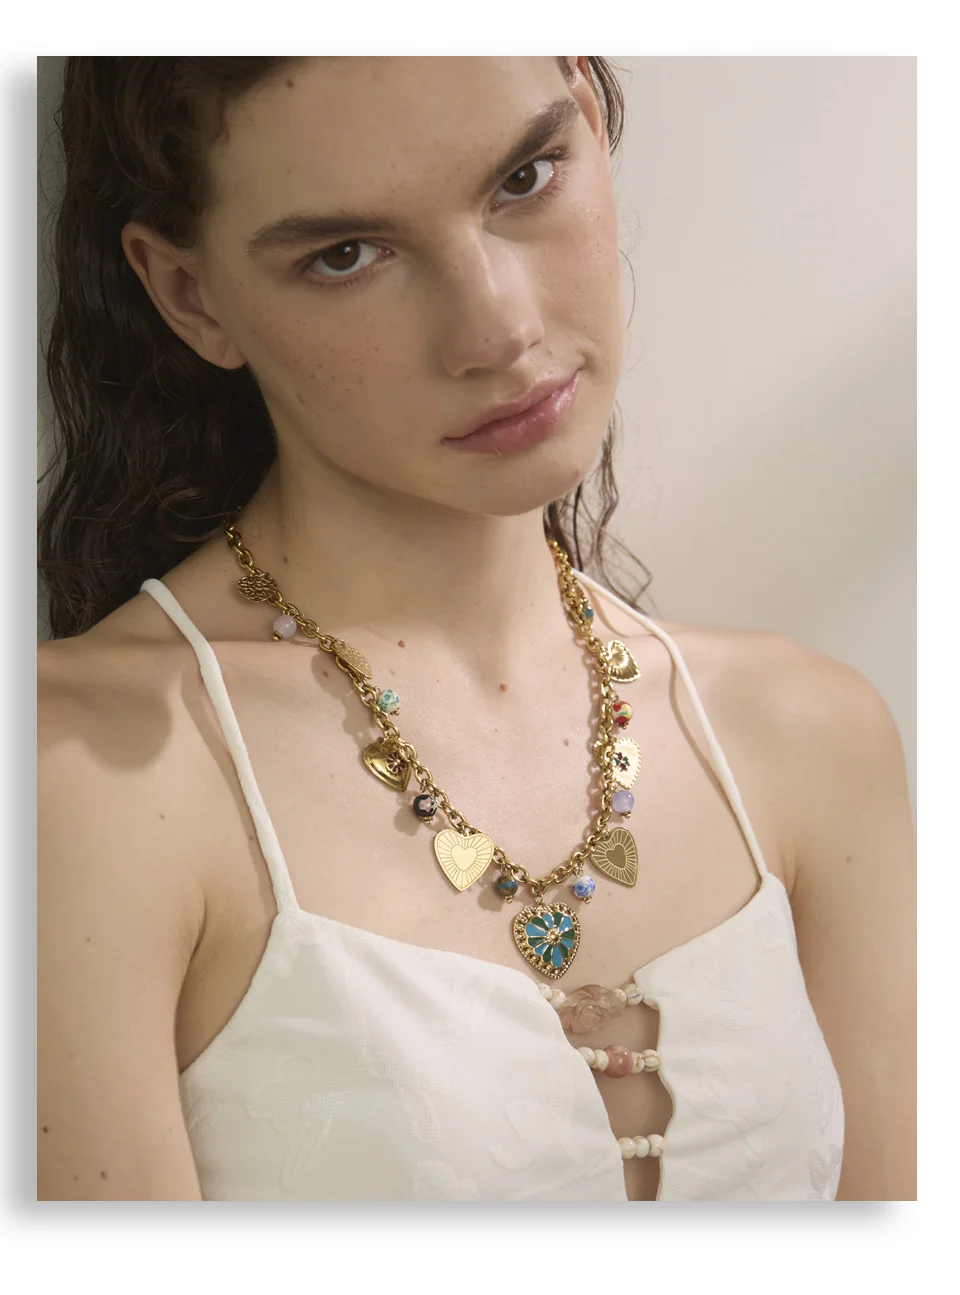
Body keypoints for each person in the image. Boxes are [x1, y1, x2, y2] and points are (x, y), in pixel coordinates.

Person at [37, 55, 915, 1203]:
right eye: (347, 253)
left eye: (525, 177)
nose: (497, 329)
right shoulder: (76, 778)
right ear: (191, 296)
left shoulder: (809, 735)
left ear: (588, 115)